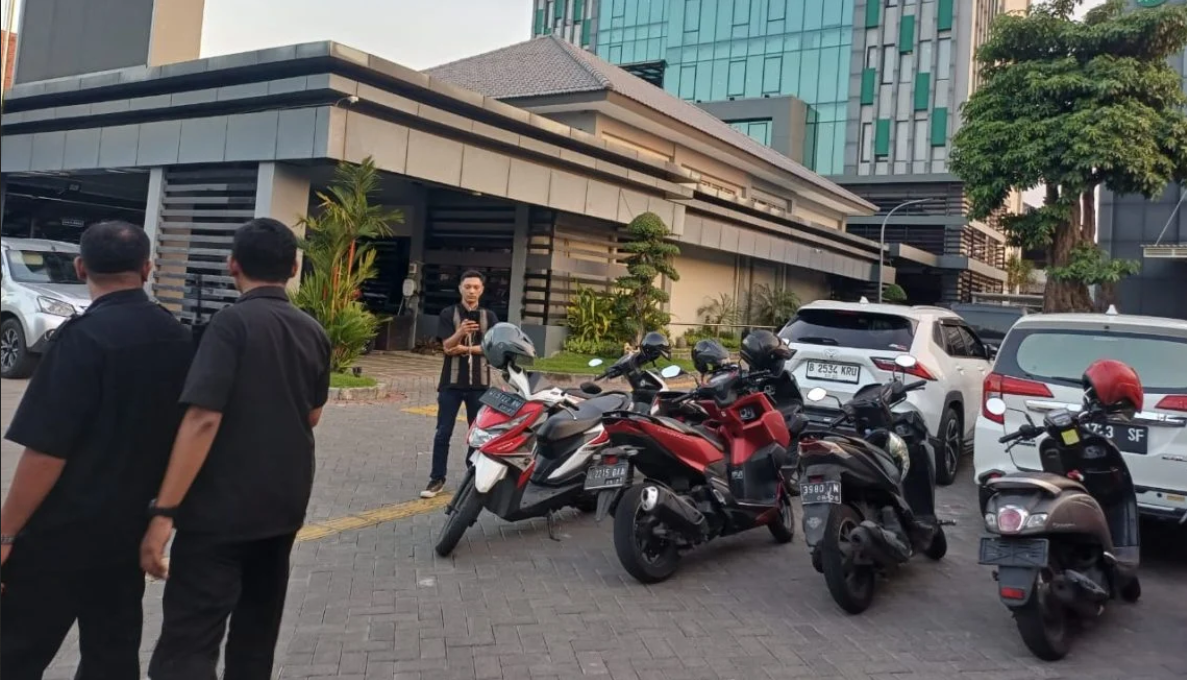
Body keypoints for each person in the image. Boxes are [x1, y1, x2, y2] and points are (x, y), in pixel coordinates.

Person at [139, 218, 332, 680]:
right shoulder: (313, 331)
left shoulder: (230, 325)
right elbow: (313, 415)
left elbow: (203, 418)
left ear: (232, 265)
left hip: (219, 513)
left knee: (189, 641)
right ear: (294, 267)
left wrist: (164, 513)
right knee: (256, 638)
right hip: (283, 506)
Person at [0, 221, 194, 680]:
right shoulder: (178, 337)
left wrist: (6, 534)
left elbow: (47, 451)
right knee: (112, 655)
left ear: (80, 267)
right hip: (129, 530)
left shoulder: (82, 338)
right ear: (147, 269)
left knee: (16, 651)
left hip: (60, 532)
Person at [421, 270, 498, 498]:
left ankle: (473, 474)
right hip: (451, 384)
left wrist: (464, 348)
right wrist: (461, 332)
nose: (471, 291)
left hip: (480, 384)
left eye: (476, 287)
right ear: (460, 289)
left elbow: (492, 348)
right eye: (467, 287)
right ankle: (437, 478)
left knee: (478, 433)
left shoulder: (489, 316)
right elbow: (447, 346)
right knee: (443, 432)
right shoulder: (448, 313)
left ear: (482, 290)